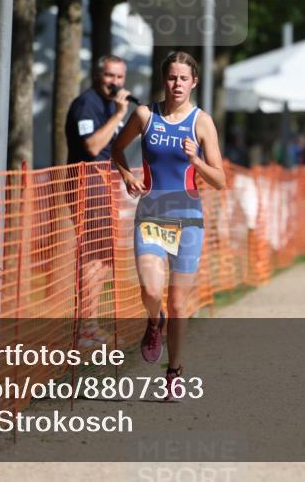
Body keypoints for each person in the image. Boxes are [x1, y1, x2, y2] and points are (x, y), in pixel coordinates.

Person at [111, 51, 225, 399]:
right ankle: (152, 321)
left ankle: (173, 371)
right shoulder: (146, 115)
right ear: (165, 80)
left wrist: (195, 159)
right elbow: (117, 149)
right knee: (149, 290)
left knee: (178, 303)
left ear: (194, 82)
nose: (177, 84)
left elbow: (219, 179)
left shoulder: (201, 122)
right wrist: (128, 174)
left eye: (183, 78)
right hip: (151, 214)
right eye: (172, 78)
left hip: (188, 219)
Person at [64, 55, 133, 347]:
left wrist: (128, 176)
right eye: (109, 76)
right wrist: (119, 115)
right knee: (92, 255)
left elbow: (113, 149)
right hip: (86, 182)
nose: (114, 82)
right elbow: (92, 146)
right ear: (97, 76)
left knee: (103, 256)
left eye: (119, 77)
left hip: (106, 184)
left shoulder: (110, 105)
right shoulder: (87, 104)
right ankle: (82, 328)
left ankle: (89, 325)